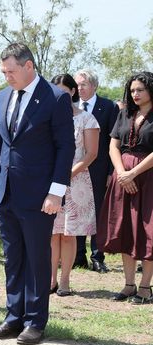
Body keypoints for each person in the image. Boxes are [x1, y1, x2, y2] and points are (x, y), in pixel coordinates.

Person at [0, 43, 75, 345]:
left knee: (37, 258)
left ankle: (35, 322)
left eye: (11, 71)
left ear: (29, 67)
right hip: (6, 192)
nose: (6, 76)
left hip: (39, 195)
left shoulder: (56, 97)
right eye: (3, 71)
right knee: (13, 258)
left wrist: (56, 192)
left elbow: (65, 147)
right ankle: (14, 317)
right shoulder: (2, 96)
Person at [97, 71, 153, 304]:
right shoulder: (124, 114)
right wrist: (122, 173)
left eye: (140, 89)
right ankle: (129, 284)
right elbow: (113, 146)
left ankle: (145, 287)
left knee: (148, 232)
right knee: (126, 230)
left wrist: (133, 173)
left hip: (148, 180)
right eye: (132, 90)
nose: (135, 94)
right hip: (122, 179)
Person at [49, 74, 99, 296]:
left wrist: (67, 174)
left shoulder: (87, 119)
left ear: (72, 91)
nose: (59, 95)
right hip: (50, 181)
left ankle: (65, 280)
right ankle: (51, 280)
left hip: (75, 181)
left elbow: (91, 154)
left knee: (68, 234)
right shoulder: (47, 118)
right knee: (52, 233)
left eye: (63, 91)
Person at [74, 70, 119, 272]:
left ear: (94, 86)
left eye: (83, 84)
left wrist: (111, 171)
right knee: (77, 210)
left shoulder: (109, 107)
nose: (79, 88)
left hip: (100, 170)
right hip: (75, 168)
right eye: (77, 85)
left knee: (98, 212)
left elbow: (114, 142)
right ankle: (77, 255)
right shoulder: (71, 107)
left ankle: (97, 256)